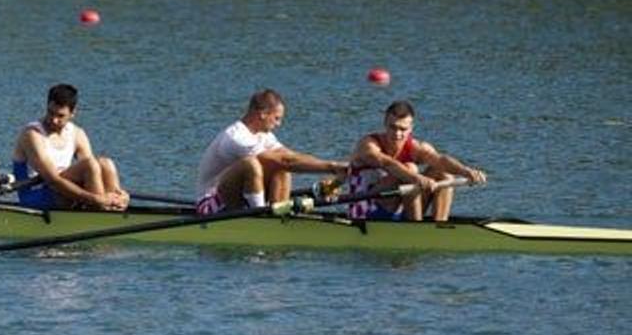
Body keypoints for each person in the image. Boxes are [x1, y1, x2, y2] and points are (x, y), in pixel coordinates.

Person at [195, 88, 347, 215]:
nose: (279, 124)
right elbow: (286, 161)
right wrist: (332, 167)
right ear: (262, 114)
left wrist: (332, 175)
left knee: (282, 168)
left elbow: (291, 157)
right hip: (209, 205)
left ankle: (279, 214)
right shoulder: (236, 137)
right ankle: (259, 215)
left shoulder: (263, 135)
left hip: (238, 199)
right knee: (252, 164)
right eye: (276, 118)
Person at [347, 100, 486, 221]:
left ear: (411, 128)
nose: (397, 134)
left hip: (401, 210)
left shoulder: (416, 147)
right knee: (410, 168)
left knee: (443, 173)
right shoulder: (368, 144)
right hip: (365, 211)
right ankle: (416, 227)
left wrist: (466, 171)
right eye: (392, 127)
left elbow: (440, 160)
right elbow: (387, 163)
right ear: (385, 123)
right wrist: (416, 177)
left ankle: (438, 227)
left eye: (403, 129)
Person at [11, 84, 130, 211]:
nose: (54, 120)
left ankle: (117, 203)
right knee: (89, 165)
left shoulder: (77, 133)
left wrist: (122, 195)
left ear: (73, 113)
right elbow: (53, 180)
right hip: (35, 194)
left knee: (105, 163)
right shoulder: (32, 135)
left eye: (60, 116)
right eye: (50, 113)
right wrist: (95, 199)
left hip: (61, 191)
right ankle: (100, 210)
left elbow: (96, 172)